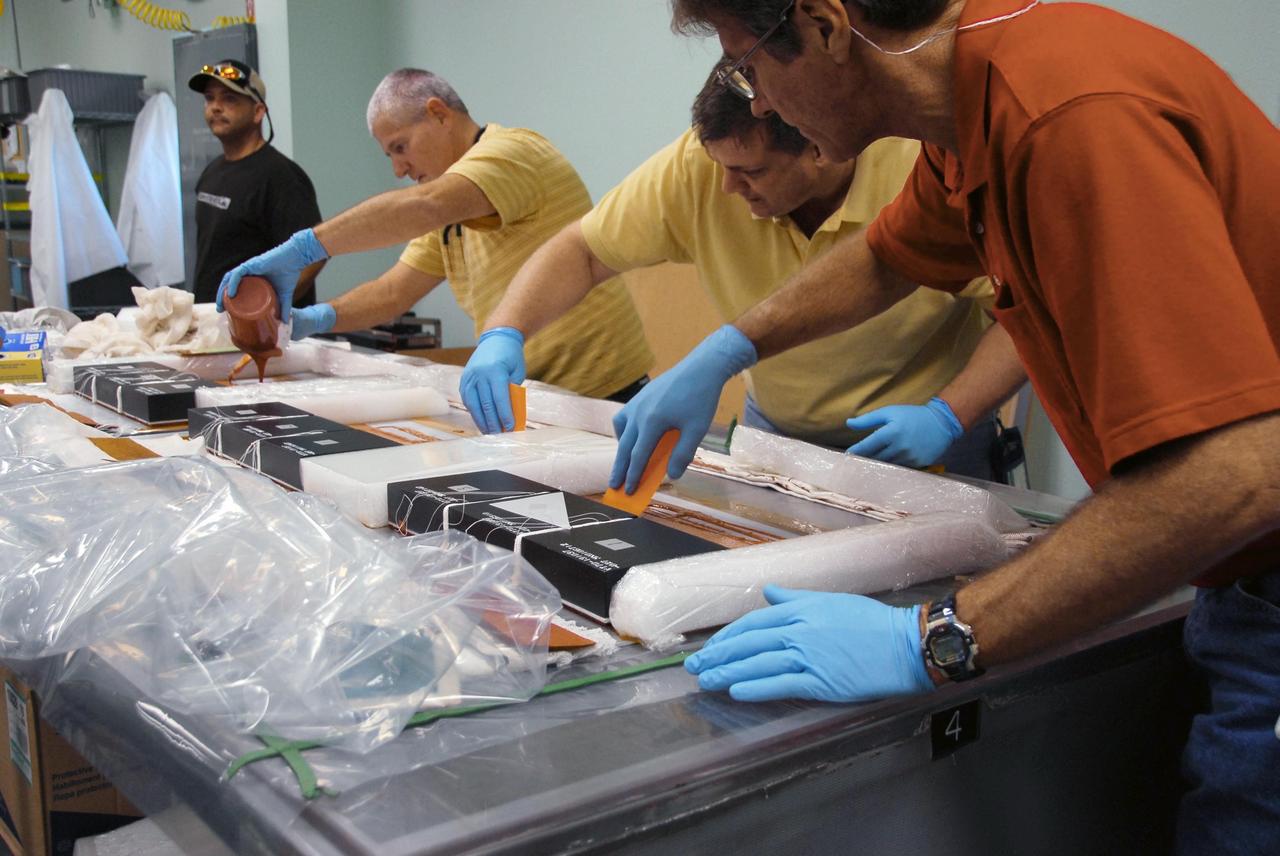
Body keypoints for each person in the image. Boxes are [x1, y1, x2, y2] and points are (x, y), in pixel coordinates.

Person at [656, 1, 1280, 851]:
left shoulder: (1067, 115)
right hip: (1239, 579)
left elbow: (1232, 471)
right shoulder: (970, 111)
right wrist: (731, 348)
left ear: (829, 25)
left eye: (748, 67)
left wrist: (938, 638)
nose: (757, 103)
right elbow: (886, 255)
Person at [464, 67, 1026, 481]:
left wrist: (948, 415)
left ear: (821, 150)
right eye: (722, 168)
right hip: (777, 432)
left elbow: (1026, 312)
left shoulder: (921, 171)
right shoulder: (702, 169)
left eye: (750, 171)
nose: (729, 189)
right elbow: (582, 251)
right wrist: (504, 331)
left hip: (924, 441)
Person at [217, 68, 652, 406]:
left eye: (400, 147)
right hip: (538, 395)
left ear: (438, 114)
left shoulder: (513, 153)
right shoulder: (453, 209)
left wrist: (305, 247)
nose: (399, 170)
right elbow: (393, 292)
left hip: (603, 393)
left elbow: (424, 206)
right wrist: (316, 320)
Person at [188, 60, 324, 306]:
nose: (216, 107)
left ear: (258, 111)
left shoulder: (281, 176)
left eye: (229, 99)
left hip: (260, 334)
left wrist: (262, 312)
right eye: (210, 98)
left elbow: (314, 254)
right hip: (212, 324)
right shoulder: (212, 172)